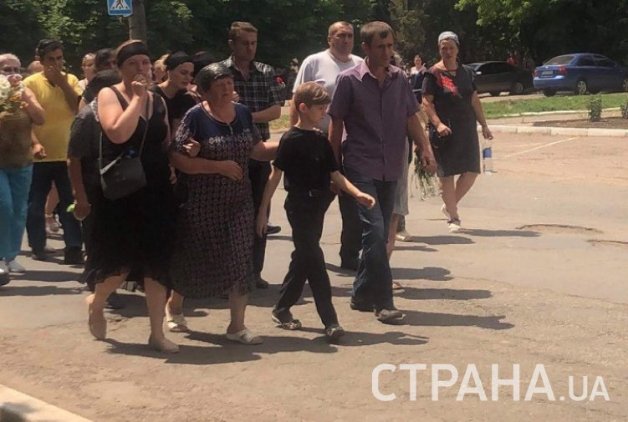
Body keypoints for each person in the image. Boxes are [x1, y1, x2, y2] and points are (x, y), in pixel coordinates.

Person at [328, 21, 436, 323]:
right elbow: (336, 124)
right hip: (360, 164)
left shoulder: (399, 78)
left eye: (390, 46)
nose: (387, 52)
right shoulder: (348, 81)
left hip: (391, 166)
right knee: (375, 231)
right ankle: (383, 300)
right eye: (381, 47)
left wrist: (425, 148)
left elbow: (411, 117)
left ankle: (362, 293)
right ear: (366, 48)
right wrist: (332, 168)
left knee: (380, 233)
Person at [169, 63, 278, 345]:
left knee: (241, 260)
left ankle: (236, 326)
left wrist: (288, 144)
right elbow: (178, 158)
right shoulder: (195, 117)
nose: (227, 89)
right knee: (196, 258)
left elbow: (256, 150)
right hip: (202, 203)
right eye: (220, 85)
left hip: (239, 202)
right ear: (205, 92)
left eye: (229, 83)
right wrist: (216, 166)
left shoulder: (242, 113)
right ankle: (175, 305)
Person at [256, 82, 375, 339]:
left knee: (304, 258)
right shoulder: (290, 139)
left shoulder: (321, 139)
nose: (324, 112)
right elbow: (275, 177)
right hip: (298, 207)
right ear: (303, 108)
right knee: (315, 260)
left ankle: (282, 308)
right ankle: (330, 320)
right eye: (320, 108)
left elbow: (335, 174)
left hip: (317, 206)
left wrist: (357, 194)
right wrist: (263, 211)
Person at [88, 40, 179, 353]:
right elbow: (118, 133)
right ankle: (96, 302)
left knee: (157, 264)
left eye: (145, 62)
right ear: (119, 68)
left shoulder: (158, 100)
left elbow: (164, 140)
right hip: (123, 193)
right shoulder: (108, 94)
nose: (141, 69)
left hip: (157, 190)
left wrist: (175, 161)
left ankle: (156, 333)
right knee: (120, 265)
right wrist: (137, 99)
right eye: (133, 64)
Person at [290, 21, 364, 271]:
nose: (346, 40)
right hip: (317, 140)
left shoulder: (359, 64)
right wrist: (296, 134)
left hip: (351, 143)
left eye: (350, 36)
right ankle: (308, 251)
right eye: (340, 35)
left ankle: (350, 255)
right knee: (317, 200)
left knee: (352, 202)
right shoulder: (314, 62)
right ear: (329, 38)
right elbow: (297, 99)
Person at [220, 21, 284, 289]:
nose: (250, 48)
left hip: (259, 152)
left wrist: (244, 115)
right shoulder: (219, 72)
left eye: (253, 43)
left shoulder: (265, 72)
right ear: (232, 44)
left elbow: (276, 110)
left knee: (260, 210)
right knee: (228, 215)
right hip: (227, 153)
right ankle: (228, 274)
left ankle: (254, 271)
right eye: (244, 43)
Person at [421, 31, 493, 232]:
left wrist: (484, 125)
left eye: (451, 47)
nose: (447, 51)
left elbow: (474, 99)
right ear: (439, 49)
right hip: (444, 132)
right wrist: (438, 124)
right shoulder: (432, 73)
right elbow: (426, 102)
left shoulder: (467, 73)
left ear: (457, 49)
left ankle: (449, 204)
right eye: (443, 48)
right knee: (447, 175)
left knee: (472, 171)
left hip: (466, 128)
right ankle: (453, 217)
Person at [23, 39, 84, 264]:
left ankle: (74, 246)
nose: (56, 64)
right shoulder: (30, 83)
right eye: (51, 59)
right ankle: (38, 244)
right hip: (39, 155)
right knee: (35, 203)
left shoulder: (71, 80)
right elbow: (25, 120)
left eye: (59, 59)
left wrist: (63, 83)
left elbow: (77, 107)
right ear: (40, 60)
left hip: (67, 153)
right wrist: (34, 143)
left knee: (70, 202)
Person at [150, 51, 197, 332]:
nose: (187, 78)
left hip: (181, 174)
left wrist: (193, 147)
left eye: (190, 73)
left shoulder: (189, 101)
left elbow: (189, 137)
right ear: (167, 70)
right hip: (152, 172)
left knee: (180, 238)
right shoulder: (151, 96)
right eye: (182, 72)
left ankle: (172, 299)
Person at [0, 53, 45, 283]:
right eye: (6, 69)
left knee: (18, 210)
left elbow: (40, 118)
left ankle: (11, 255)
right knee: (4, 206)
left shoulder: (25, 92)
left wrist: (24, 97)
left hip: (21, 160)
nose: (12, 74)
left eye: (16, 69)